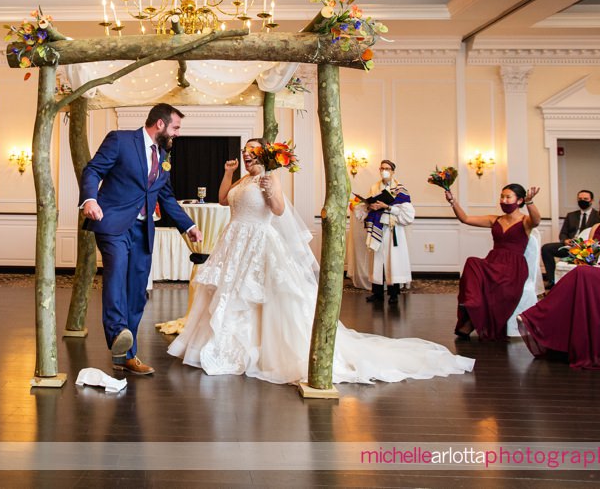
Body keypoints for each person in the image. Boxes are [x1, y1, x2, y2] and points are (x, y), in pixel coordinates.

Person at [168, 140, 473, 385]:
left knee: (258, 297)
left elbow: (276, 211)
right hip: (233, 241)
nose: (245, 157)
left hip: (258, 242)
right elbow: (224, 200)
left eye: (250, 153)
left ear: (262, 156)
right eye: (243, 153)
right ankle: (222, 345)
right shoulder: (243, 180)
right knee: (227, 294)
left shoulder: (268, 179)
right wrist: (227, 172)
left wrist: (271, 188)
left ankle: (260, 350)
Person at [80, 103, 202, 376]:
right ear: (160, 124)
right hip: (112, 224)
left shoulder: (162, 157)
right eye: (175, 127)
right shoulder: (121, 140)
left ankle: (125, 355)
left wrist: (188, 226)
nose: (177, 134)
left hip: (142, 230)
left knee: (137, 293)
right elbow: (93, 170)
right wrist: (89, 199)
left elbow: (166, 197)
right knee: (117, 274)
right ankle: (116, 333)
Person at [518, 184, 600, 370]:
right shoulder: (597, 227)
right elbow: (590, 256)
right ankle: (545, 322)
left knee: (581, 273)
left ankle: (537, 316)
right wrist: (584, 257)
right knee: (582, 272)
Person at [445, 183, 540, 341]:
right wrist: (453, 201)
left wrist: (530, 203)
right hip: (494, 261)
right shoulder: (494, 219)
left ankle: (470, 321)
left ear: (520, 200)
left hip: (513, 267)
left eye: (508, 197)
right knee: (472, 262)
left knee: (496, 285)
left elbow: (536, 221)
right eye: (502, 197)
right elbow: (465, 219)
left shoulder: (525, 221)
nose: (503, 200)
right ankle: (471, 303)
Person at [355, 160, 414, 305]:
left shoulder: (400, 190)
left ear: (393, 171)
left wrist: (387, 206)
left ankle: (394, 294)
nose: (384, 170)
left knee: (392, 261)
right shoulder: (374, 187)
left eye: (387, 168)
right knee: (377, 260)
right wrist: (370, 206)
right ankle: (377, 293)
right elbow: (366, 206)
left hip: (392, 229)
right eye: (382, 168)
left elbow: (408, 214)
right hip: (377, 227)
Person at [540, 189, 600, 289]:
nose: (582, 200)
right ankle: (552, 280)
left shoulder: (598, 216)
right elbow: (563, 233)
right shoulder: (571, 215)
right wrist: (565, 241)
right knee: (546, 248)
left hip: (586, 248)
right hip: (570, 246)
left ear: (591, 200)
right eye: (580, 199)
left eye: (585, 199)